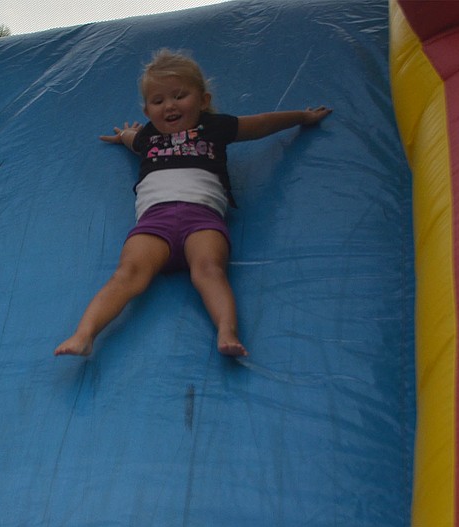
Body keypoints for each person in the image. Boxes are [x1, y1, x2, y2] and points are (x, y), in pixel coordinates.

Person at [54, 49, 331, 358]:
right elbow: (134, 140)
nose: (169, 105)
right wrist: (125, 136)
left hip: (202, 219)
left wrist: (302, 117)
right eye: (158, 101)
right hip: (154, 223)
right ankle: (85, 334)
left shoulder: (214, 128)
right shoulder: (148, 136)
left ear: (203, 100)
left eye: (179, 96)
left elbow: (262, 123)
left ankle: (227, 331)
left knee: (209, 270)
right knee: (127, 273)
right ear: (148, 111)